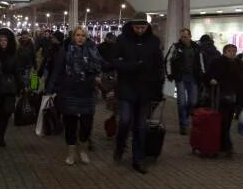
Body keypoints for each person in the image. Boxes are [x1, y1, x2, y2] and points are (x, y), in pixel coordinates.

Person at [112, 13, 164, 174]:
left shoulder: (154, 41)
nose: (140, 30)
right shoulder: (122, 40)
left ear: (147, 26)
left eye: (142, 27)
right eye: (137, 27)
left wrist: (158, 89)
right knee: (125, 120)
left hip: (145, 90)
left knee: (141, 126)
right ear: (132, 26)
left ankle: (138, 159)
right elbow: (115, 61)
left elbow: (158, 66)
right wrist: (134, 66)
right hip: (127, 87)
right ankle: (120, 145)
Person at [47, 26, 102, 165]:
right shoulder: (65, 51)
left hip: (87, 91)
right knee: (70, 124)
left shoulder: (93, 50)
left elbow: (100, 66)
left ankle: (82, 149)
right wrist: (50, 88)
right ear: (73, 37)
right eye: (77, 35)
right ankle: (71, 153)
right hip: (69, 91)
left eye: (83, 35)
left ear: (86, 37)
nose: (80, 38)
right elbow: (57, 70)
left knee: (86, 124)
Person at [205, 44, 243, 157]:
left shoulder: (239, 64)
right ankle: (225, 146)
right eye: (229, 51)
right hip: (219, 96)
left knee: (227, 122)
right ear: (224, 52)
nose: (232, 53)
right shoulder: (217, 62)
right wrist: (211, 80)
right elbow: (207, 76)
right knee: (222, 121)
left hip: (233, 97)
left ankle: (222, 145)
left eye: (234, 51)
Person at [165, 28, 204, 135]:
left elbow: (201, 63)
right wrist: (169, 73)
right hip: (180, 77)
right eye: (182, 37)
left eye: (185, 37)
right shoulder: (175, 47)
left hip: (193, 78)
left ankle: (185, 116)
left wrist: (202, 75)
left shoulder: (197, 48)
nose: (183, 39)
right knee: (181, 102)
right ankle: (183, 124)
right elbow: (167, 60)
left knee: (193, 102)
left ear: (190, 36)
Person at [0, 28, 21, 147]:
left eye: (5, 40)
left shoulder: (13, 55)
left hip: (9, 88)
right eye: (1, 40)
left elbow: (17, 71)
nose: (3, 42)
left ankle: (1, 134)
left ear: (9, 41)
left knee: (7, 112)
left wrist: (21, 86)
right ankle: (0, 135)